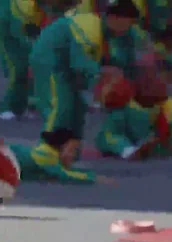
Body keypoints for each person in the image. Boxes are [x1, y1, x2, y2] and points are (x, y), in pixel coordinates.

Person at [30, 0, 140, 141]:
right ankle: (46, 149)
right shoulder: (90, 29)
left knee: (75, 107)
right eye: (129, 23)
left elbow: (96, 60)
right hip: (49, 60)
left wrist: (119, 69)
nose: (129, 28)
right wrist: (105, 77)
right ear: (115, 18)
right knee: (58, 108)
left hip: (62, 63)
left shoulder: (103, 32)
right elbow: (80, 64)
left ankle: (64, 146)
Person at [0, 0, 51, 121]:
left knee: (28, 68)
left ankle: (22, 106)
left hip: (22, 33)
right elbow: (17, 31)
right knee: (16, 70)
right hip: (4, 36)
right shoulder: (23, 5)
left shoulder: (41, 8)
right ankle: (6, 107)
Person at [11, 129, 114, 183]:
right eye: (72, 150)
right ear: (60, 146)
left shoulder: (50, 155)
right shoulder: (46, 154)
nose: (74, 155)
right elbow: (64, 175)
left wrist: (90, 174)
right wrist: (93, 178)